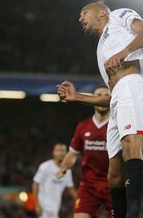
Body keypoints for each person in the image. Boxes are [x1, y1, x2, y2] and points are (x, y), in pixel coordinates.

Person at [57, 2, 143, 218]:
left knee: (132, 146)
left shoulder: (119, 15)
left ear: (102, 12)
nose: (81, 18)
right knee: (114, 173)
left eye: (84, 12)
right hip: (119, 96)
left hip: (132, 84)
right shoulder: (100, 46)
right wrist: (77, 97)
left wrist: (124, 52)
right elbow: (111, 97)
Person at [56, 85, 112, 218]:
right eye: (98, 95)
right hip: (89, 185)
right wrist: (63, 168)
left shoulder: (118, 125)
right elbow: (72, 153)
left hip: (114, 184)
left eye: (106, 95)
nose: (102, 98)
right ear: (92, 99)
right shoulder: (83, 126)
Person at [32, 143, 77, 218]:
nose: (61, 153)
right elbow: (35, 184)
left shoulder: (67, 171)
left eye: (63, 151)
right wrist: (37, 204)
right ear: (53, 153)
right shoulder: (45, 166)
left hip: (55, 206)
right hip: (44, 206)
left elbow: (71, 189)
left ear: (66, 153)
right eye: (58, 151)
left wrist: (82, 202)